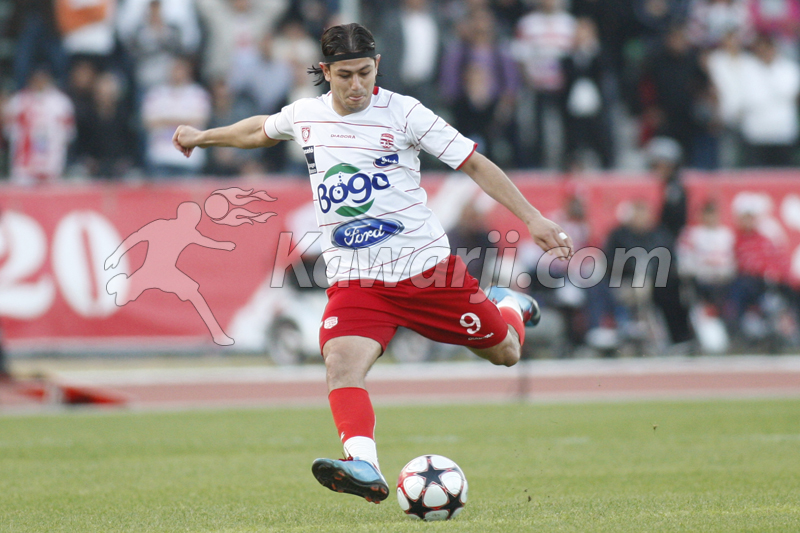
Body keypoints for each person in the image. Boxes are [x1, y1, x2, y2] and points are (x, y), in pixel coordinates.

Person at [172, 22, 573, 503]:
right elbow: (258, 130)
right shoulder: (306, 115)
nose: (357, 85)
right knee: (340, 364)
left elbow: (474, 163)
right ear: (326, 72)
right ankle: (363, 463)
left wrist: (532, 218)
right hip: (357, 280)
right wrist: (202, 136)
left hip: (426, 272)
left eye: (365, 72)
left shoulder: (405, 113)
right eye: (345, 75)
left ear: (377, 65)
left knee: (506, 352)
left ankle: (508, 305)